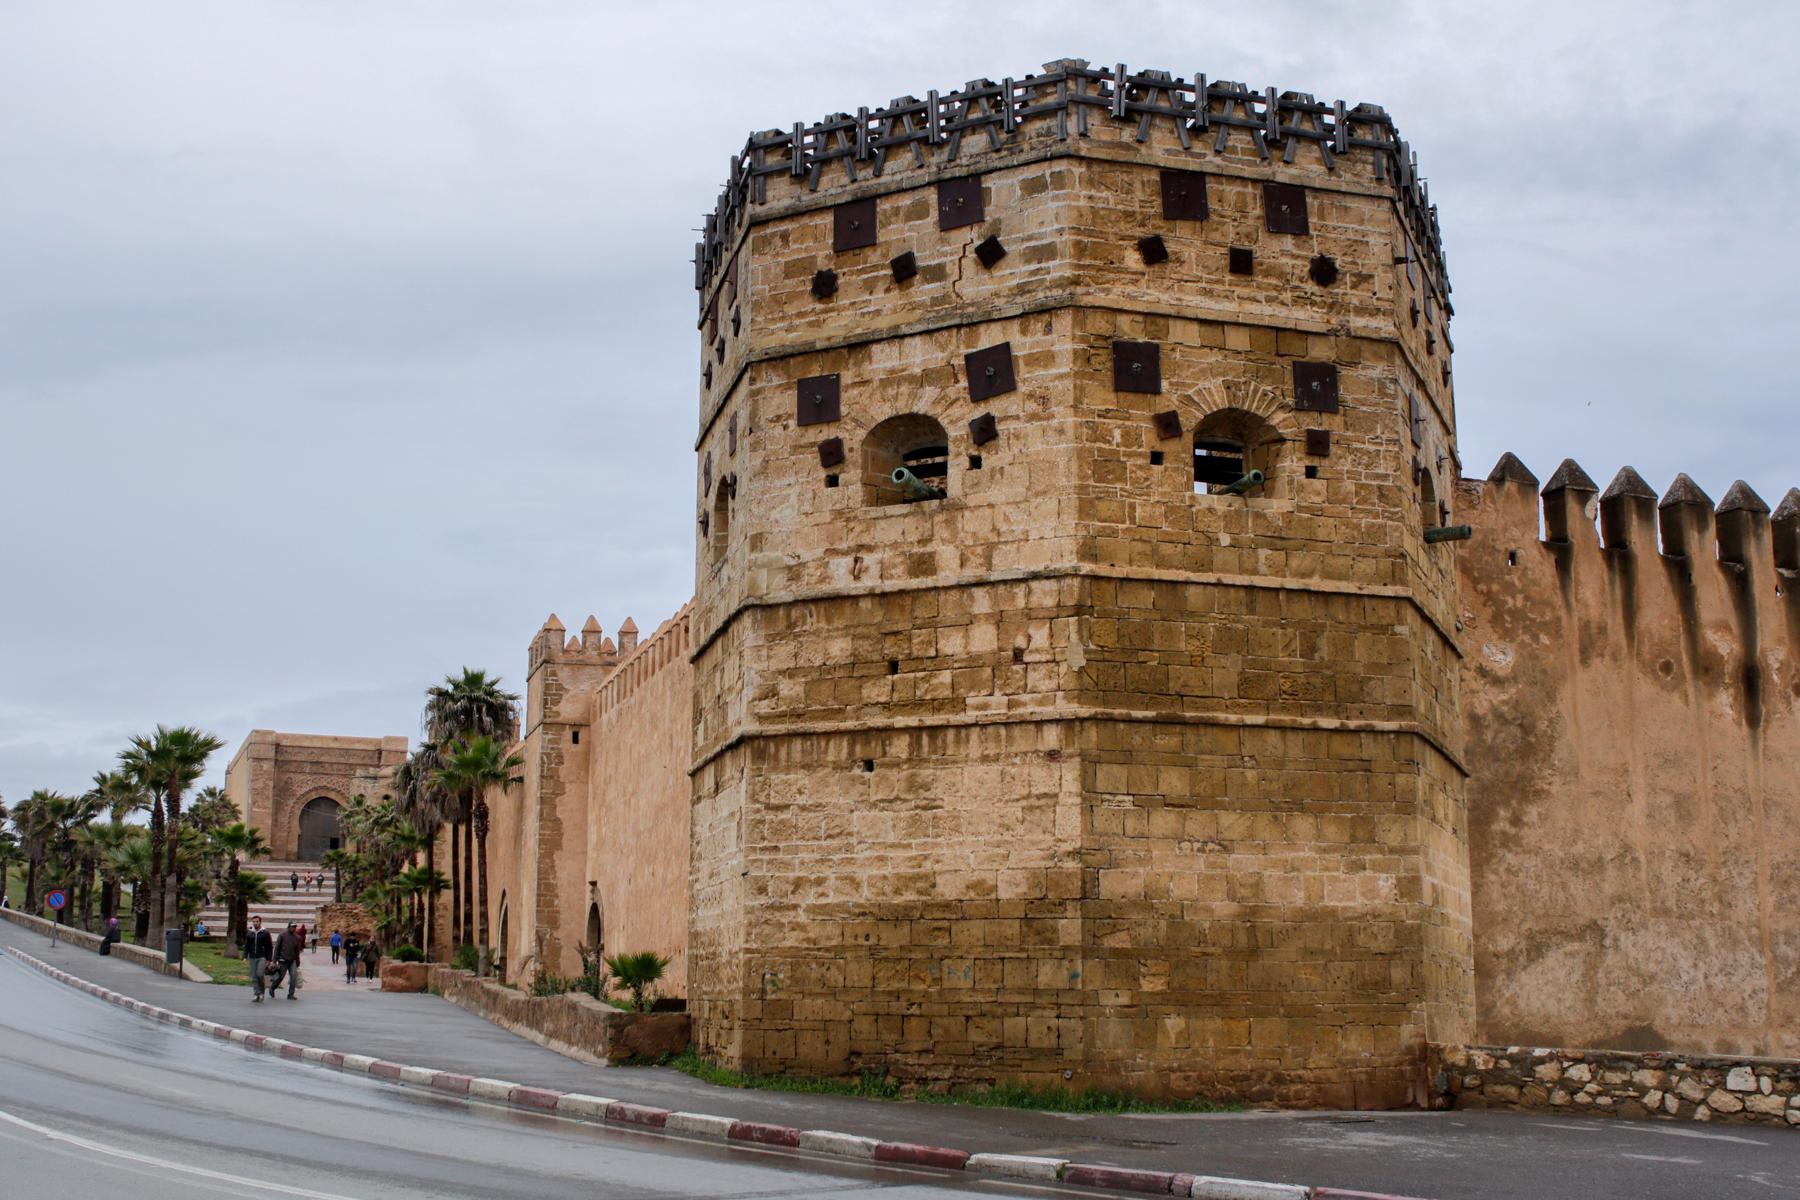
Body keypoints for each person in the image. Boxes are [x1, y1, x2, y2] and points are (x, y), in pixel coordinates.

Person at [243, 916, 273, 1002]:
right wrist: (244, 957)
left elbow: (269, 947)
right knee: (253, 977)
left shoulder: (265, 933)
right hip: (252, 957)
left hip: (261, 957)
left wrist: (269, 959)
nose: (255, 923)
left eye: (257, 921)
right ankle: (256, 994)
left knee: (260, 974)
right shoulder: (250, 933)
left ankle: (262, 992)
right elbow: (246, 946)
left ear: (260, 922)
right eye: (254, 922)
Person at [273, 922, 303, 999]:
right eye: (292, 927)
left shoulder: (297, 937)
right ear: (288, 927)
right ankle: (272, 988)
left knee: (293, 977)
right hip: (283, 960)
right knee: (281, 977)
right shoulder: (282, 935)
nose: (293, 928)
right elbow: (277, 948)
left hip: (292, 960)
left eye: (295, 927)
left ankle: (291, 994)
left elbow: (297, 951)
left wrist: (298, 961)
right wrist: (274, 959)